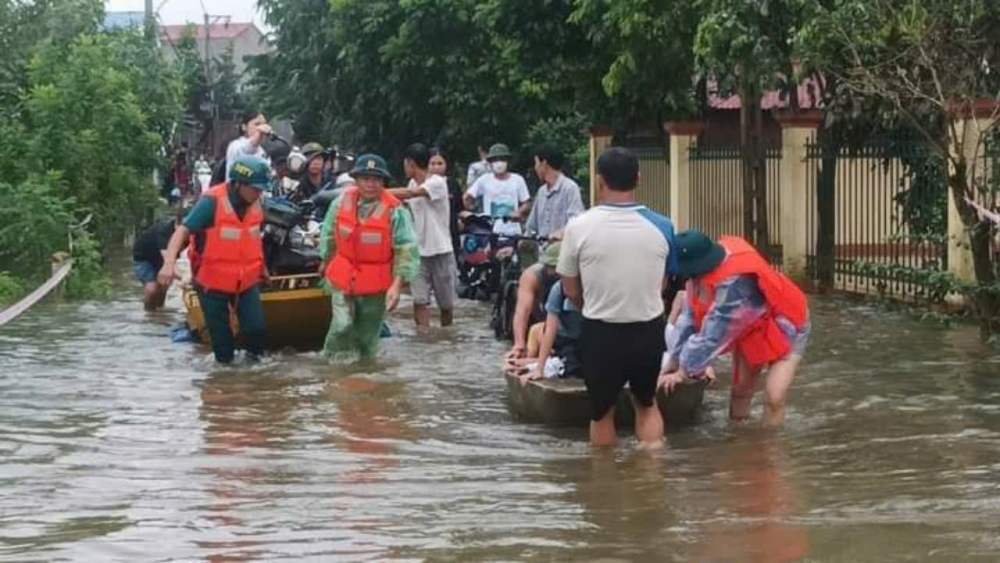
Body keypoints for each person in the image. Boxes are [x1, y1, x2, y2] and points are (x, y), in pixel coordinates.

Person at [557, 147, 680, 448]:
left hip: (600, 331)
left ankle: (605, 486)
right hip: (648, 329)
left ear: (599, 181)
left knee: (601, 413)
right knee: (647, 403)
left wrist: (593, 307)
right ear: (638, 179)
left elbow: (570, 288)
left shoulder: (578, 227)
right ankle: (653, 480)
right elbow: (664, 282)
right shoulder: (664, 226)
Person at [658, 230, 811, 426]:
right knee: (740, 391)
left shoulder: (735, 282)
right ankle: (739, 443)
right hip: (750, 327)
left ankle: (770, 451)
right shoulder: (697, 279)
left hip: (788, 322)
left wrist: (684, 371)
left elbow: (712, 336)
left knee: (774, 397)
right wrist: (674, 359)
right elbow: (689, 319)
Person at [158, 155, 272, 364]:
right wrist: (168, 264)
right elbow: (182, 231)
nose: (259, 193)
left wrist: (262, 267)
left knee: (256, 330)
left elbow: (253, 238)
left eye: (261, 189)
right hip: (212, 283)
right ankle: (224, 388)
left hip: (246, 280)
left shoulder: (257, 203)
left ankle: (255, 383)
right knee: (223, 346)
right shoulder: (211, 202)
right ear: (238, 183)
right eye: (255, 189)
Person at [319, 154, 419, 359]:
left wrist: (397, 285)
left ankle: (364, 379)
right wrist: (325, 261)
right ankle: (332, 368)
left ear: (383, 183)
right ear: (356, 180)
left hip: (375, 282)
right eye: (365, 178)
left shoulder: (396, 212)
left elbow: (406, 248)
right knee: (342, 325)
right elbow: (329, 235)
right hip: (343, 275)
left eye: (376, 179)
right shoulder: (340, 203)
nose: (370, 184)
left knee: (367, 339)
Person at [389, 144, 457, 327]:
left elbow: (411, 194)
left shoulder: (437, 182)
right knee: (419, 301)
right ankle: (423, 339)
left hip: (441, 250)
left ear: (411, 163)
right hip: (418, 252)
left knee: (446, 306)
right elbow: (406, 201)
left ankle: (446, 338)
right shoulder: (412, 183)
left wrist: (378, 192)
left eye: (405, 163)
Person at [509, 278, 583, 384]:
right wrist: (540, 369)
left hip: (591, 339)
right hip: (567, 342)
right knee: (571, 368)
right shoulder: (559, 289)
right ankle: (532, 365)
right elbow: (550, 329)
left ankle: (532, 363)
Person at [505, 242, 562, 360]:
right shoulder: (532, 276)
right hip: (540, 320)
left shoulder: (577, 276)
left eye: (556, 267)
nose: (552, 271)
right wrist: (519, 344)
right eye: (549, 266)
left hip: (567, 321)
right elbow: (522, 311)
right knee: (533, 335)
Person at [463, 143, 531, 236]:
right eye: (495, 160)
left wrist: (519, 212)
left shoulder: (517, 179)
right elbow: (467, 197)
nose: (499, 163)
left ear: (508, 161)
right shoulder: (484, 180)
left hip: (513, 232)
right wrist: (471, 212)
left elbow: (527, 203)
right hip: (489, 232)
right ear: (490, 162)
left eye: (502, 159)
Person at [524, 145, 586, 242]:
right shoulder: (541, 192)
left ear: (544, 163)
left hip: (562, 252)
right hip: (542, 253)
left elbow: (577, 222)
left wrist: (561, 233)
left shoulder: (570, 188)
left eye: (536, 163)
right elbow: (531, 227)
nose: (535, 168)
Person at [133, 209, 183, 311]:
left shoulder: (191, 233)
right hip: (144, 258)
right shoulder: (164, 232)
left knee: (163, 286)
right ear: (178, 224)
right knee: (152, 288)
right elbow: (168, 260)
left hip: (163, 258)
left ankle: (160, 312)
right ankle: (149, 314)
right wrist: (185, 277)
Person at [429, 148, 464, 261]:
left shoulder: (453, 184)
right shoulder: (422, 185)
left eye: (440, 163)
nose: (436, 167)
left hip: (450, 232)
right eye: (432, 164)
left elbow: (460, 209)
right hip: (429, 234)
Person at [224, 110, 271, 178]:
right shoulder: (235, 146)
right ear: (244, 127)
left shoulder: (262, 151)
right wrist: (258, 134)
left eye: (264, 124)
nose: (262, 128)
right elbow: (247, 148)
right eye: (257, 124)